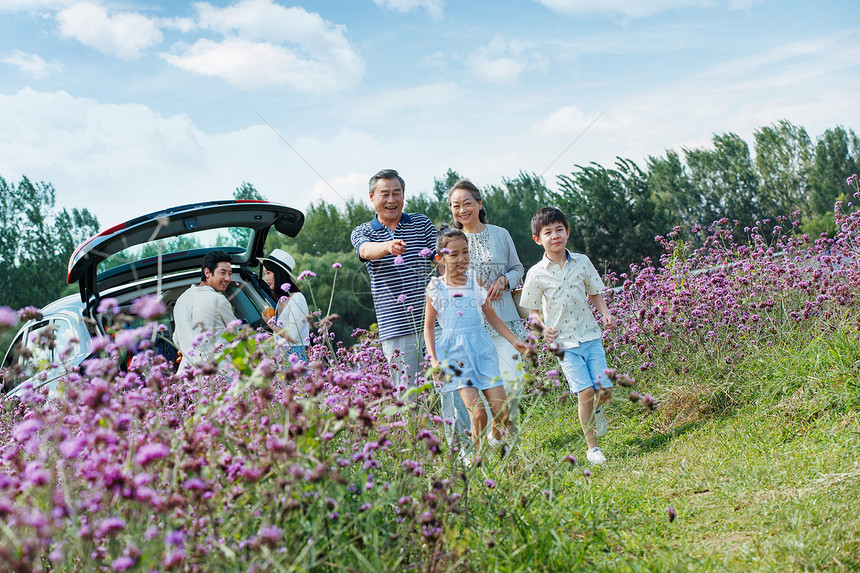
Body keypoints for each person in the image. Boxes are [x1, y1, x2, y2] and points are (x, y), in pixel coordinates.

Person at [518, 207, 618, 465]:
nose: (555, 236)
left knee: (603, 389)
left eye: (559, 230)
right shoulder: (536, 273)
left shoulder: (582, 262)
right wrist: (542, 329)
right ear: (537, 239)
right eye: (548, 232)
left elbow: (594, 291)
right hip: (563, 344)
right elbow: (532, 311)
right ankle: (593, 448)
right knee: (584, 393)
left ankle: (595, 411)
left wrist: (606, 314)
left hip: (590, 336)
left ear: (568, 232)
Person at [424, 226, 526, 462]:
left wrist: (514, 340)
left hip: (481, 349)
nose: (462, 259)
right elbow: (429, 327)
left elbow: (491, 316)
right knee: (478, 413)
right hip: (455, 356)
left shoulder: (474, 282)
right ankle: (476, 459)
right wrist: (433, 358)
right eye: (454, 254)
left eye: (466, 252)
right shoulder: (435, 288)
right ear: (440, 258)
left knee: (501, 412)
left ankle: (494, 437)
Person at [350, 169, 437, 390]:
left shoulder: (422, 223)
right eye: (384, 194)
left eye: (397, 193)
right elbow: (365, 250)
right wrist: (388, 247)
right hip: (396, 328)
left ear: (404, 195)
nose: (391, 200)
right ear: (372, 197)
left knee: (449, 391)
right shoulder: (364, 231)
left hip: (436, 322)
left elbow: (441, 258)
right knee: (408, 397)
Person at [448, 179, 527, 418]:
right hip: (472, 329)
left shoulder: (500, 234)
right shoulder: (451, 242)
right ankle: (500, 443)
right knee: (483, 392)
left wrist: (504, 280)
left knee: (513, 384)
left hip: (506, 321)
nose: (462, 210)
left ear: (479, 204)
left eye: (467, 203)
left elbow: (517, 268)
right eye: (455, 205)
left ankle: (498, 434)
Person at [172, 250, 239, 374]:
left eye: (230, 273)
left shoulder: (180, 300)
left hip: (189, 377)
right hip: (220, 375)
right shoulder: (218, 299)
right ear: (207, 272)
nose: (228, 278)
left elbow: (177, 339)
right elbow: (236, 336)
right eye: (223, 273)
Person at [259, 248, 309, 361]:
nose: (265, 278)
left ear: (278, 274)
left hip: (296, 356)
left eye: (268, 273)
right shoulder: (281, 300)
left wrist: (271, 324)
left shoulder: (297, 298)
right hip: (283, 356)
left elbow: (293, 336)